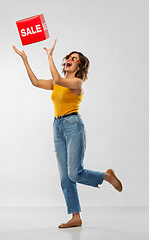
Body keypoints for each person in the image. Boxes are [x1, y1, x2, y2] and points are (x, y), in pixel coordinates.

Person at [12, 38, 123, 229]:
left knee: (75, 173)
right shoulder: (58, 84)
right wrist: (24, 59)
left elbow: (57, 79)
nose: (70, 59)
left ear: (79, 66)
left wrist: (49, 56)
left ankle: (105, 176)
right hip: (57, 127)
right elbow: (36, 82)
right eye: (69, 57)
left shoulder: (76, 83)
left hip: (73, 126)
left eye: (75, 58)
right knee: (65, 177)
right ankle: (75, 217)